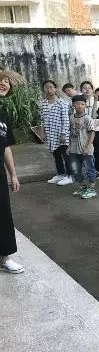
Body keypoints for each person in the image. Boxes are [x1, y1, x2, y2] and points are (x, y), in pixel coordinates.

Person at [0, 71, 24, 273]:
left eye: (7, 81)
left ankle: (4, 257)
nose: (4, 83)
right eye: (0, 80)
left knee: (2, 213)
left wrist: (13, 174)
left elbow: (6, 146)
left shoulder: (3, 114)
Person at [42, 80, 73, 186]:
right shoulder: (43, 103)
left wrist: (63, 133)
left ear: (55, 89)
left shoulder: (62, 103)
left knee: (65, 155)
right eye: (46, 87)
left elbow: (65, 119)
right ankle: (60, 174)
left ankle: (69, 176)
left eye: (51, 87)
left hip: (61, 133)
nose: (49, 89)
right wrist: (43, 133)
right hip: (50, 134)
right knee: (56, 155)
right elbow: (43, 120)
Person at [69, 95, 97, 199]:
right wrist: (69, 146)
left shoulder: (87, 118)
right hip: (74, 148)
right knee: (75, 168)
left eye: (82, 104)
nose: (80, 106)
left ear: (85, 105)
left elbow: (92, 133)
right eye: (77, 103)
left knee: (89, 168)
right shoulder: (71, 117)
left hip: (86, 149)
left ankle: (92, 189)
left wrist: (88, 147)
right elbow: (71, 133)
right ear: (73, 105)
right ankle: (83, 187)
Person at [80, 81, 99, 177]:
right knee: (86, 150)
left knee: (96, 151)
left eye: (89, 88)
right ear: (81, 90)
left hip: (96, 130)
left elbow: (96, 116)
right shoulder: (79, 102)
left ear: (92, 90)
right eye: (85, 88)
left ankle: (97, 170)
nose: (87, 90)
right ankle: (88, 169)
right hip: (83, 131)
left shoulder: (97, 102)